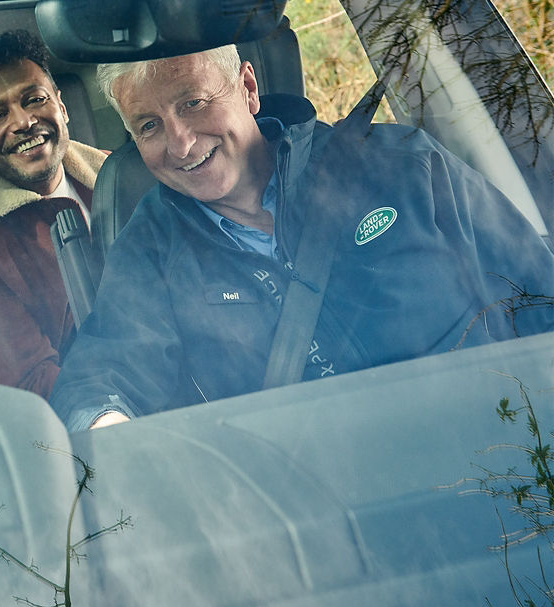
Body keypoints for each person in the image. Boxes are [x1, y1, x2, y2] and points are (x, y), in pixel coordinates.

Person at [49, 45, 554, 431]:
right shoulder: (149, 252)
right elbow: (105, 371)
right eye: (149, 125)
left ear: (247, 87)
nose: (180, 143)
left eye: (194, 102)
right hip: (328, 528)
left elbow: (538, 291)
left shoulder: (400, 167)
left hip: (503, 462)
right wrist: (105, 424)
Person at [0, 29, 107, 398]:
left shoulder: (121, 177)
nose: (23, 121)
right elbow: (30, 380)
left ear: (61, 107)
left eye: (34, 99)